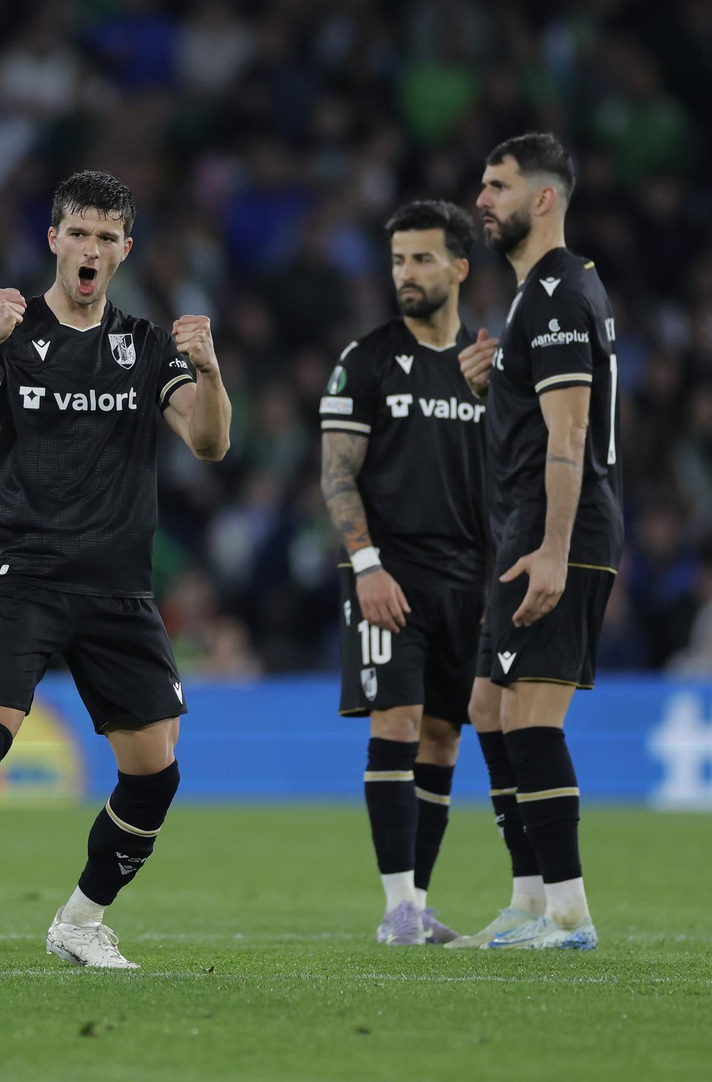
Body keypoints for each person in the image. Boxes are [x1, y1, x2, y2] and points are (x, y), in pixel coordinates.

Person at [0, 170, 233, 971]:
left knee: (155, 774)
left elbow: (210, 443)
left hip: (119, 588)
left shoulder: (148, 347)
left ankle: (79, 919)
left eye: (106, 237)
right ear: (54, 239)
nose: (90, 248)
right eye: (77, 232)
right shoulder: (15, 335)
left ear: (124, 250)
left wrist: (210, 369)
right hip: (28, 577)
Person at [448, 133, 622, 950]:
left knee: (529, 718)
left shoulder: (553, 293)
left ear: (542, 200)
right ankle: (526, 897)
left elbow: (571, 431)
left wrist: (553, 548)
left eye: (497, 186)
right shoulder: (543, 294)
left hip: (563, 530)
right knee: (488, 705)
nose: (482, 199)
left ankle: (570, 913)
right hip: (528, 527)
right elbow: (536, 423)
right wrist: (498, 386)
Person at [319, 200, 493, 945]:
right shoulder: (366, 360)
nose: (406, 274)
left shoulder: (489, 368)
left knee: (444, 739)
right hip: (388, 577)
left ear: (459, 267)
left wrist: (502, 399)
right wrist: (366, 565)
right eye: (397, 260)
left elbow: (519, 476)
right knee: (396, 722)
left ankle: (417, 904)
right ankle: (395, 909)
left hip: (471, 581)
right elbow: (336, 477)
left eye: (422, 259)